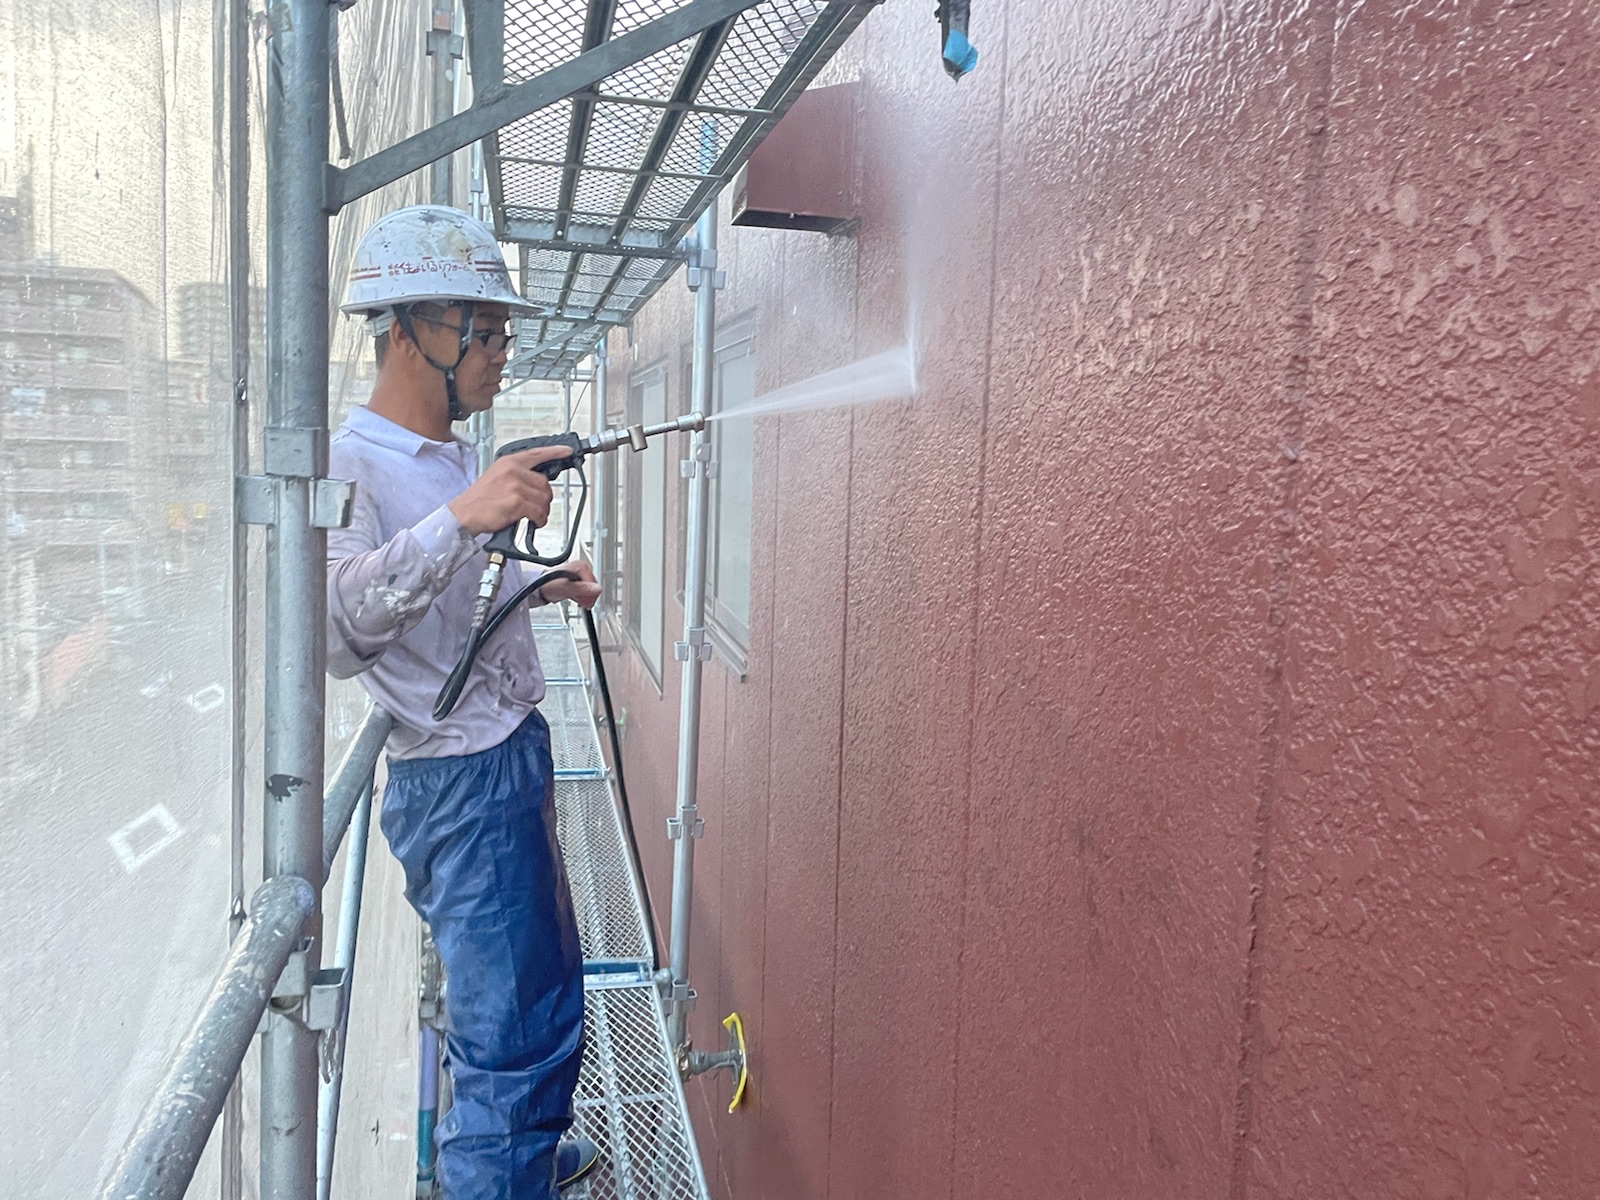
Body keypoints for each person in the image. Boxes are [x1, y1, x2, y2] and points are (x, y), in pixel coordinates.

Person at [325, 205, 602, 1198]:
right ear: (405, 332)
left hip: (498, 761)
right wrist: (463, 518)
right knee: (515, 1038)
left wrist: (534, 581)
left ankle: (517, 1152)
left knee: (538, 1003)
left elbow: (445, 613)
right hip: (464, 782)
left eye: (500, 332)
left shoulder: (443, 455)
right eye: (477, 331)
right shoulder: (352, 462)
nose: (496, 352)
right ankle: (499, 1167)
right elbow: (337, 632)